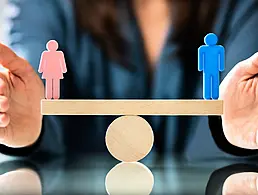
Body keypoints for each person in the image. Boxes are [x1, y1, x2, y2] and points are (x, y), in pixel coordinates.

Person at [0, 0, 258, 159]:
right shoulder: (43, 5)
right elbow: (31, 85)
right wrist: (28, 127)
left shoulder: (243, 7)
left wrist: (233, 135)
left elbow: (241, 105)